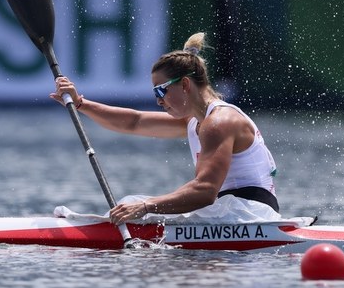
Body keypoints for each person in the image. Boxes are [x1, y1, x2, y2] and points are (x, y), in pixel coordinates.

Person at [51, 32, 278, 226]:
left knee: (135, 205)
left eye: (161, 91)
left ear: (185, 84)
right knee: (131, 205)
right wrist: (80, 103)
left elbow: (206, 190)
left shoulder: (219, 122)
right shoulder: (195, 121)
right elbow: (134, 122)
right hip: (229, 211)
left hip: (250, 215)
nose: (158, 100)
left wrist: (146, 206)